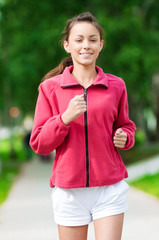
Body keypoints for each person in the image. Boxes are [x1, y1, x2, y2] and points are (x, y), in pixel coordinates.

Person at [30, 12, 136, 240]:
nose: (86, 45)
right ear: (67, 45)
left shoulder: (116, 86)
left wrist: (125, 137)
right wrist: (64, 118)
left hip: (109, 188)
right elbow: (39, 144)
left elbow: (126, 126)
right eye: (78, 40)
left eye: (92, 39)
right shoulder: (50, 88)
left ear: (101, 45)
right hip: (68, 191)